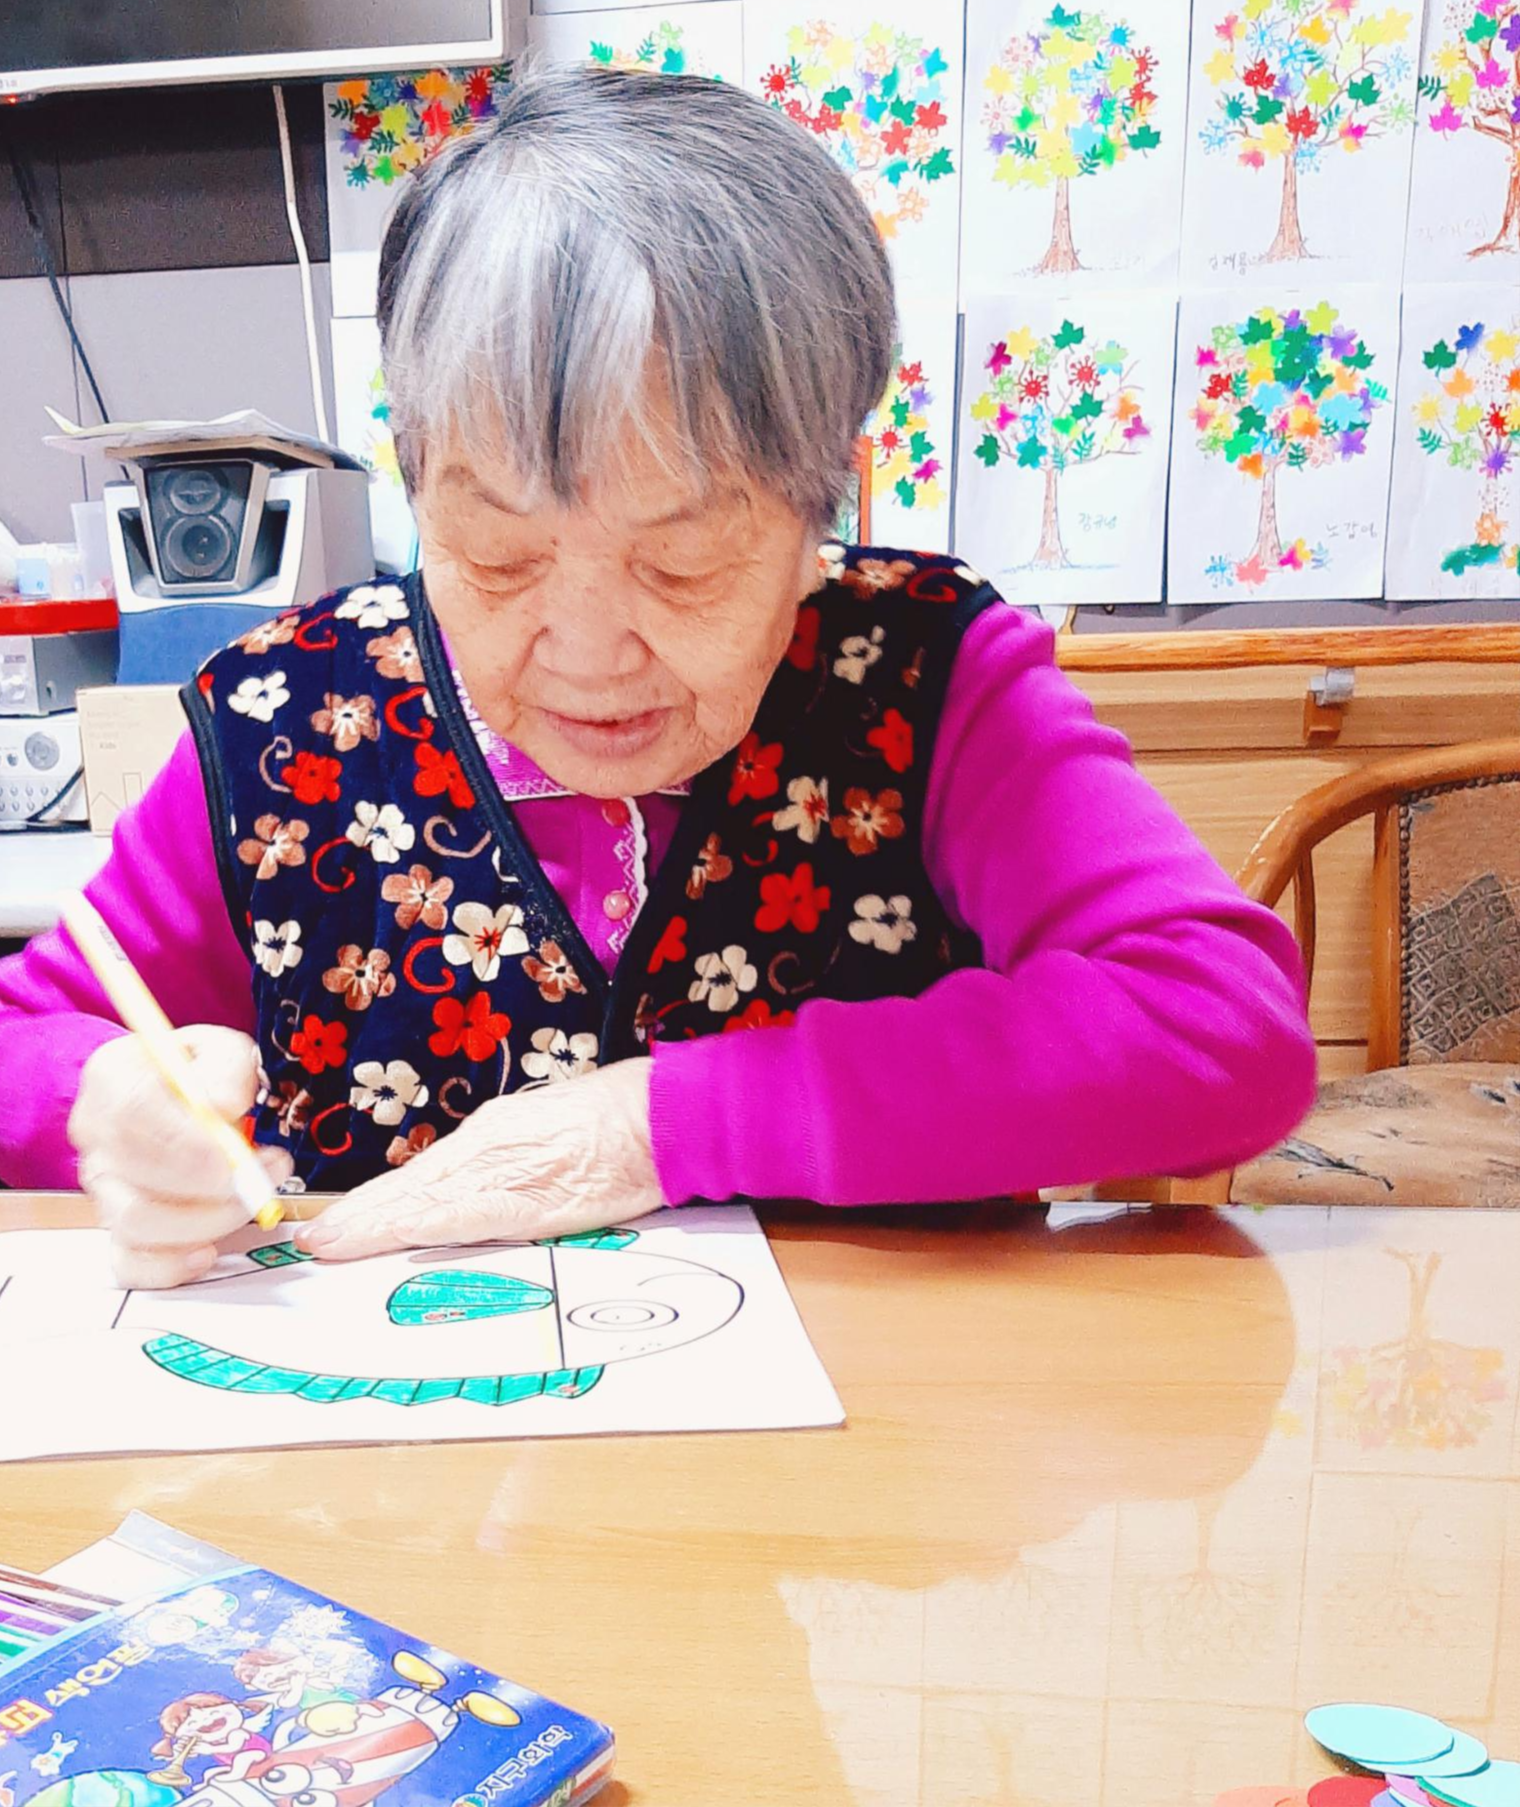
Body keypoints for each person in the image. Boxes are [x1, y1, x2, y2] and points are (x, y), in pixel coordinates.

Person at [0, 66, 1315, 1287]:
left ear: (821, 507)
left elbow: (1219, 1028)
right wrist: (107, 1101)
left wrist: (669, 1121)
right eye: (499, 555)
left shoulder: (929, 679)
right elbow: (24, 1042)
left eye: (682, 563)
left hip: (873, 1448)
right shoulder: (283, 720)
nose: (586, 652)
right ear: (417, 480)